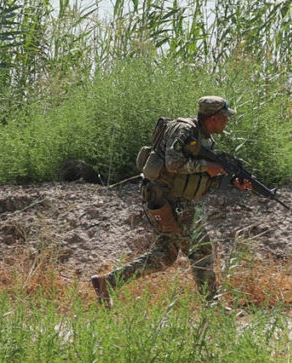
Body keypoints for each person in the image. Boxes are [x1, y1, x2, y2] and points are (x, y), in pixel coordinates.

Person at [90, 96, 252, 307]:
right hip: (168, 200)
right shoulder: (183, 130)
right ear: (213, 118)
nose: (227, 122)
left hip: (179, 201)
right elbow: (173, 163)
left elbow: (200, 178)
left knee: (164, 256)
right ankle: (213, 306)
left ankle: (107, 283)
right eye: (224, 118)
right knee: (201, 250)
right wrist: (205, 165)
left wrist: (231, 182)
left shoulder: (206, 140)